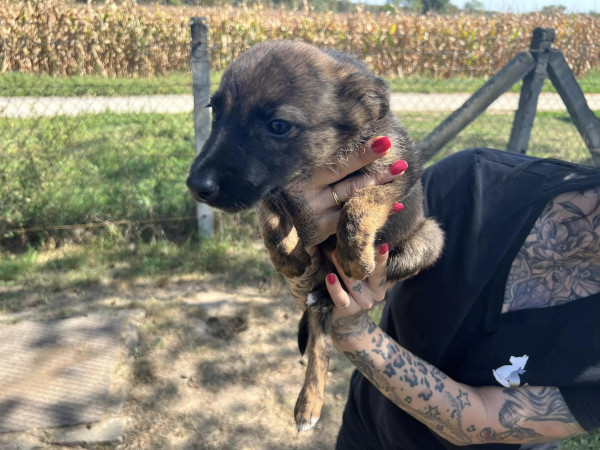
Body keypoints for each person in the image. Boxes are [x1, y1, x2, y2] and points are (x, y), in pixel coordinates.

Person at [283, 137, 600, 449]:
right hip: (367, 428)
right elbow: (330, 278)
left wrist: (353, 332)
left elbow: (480, 421)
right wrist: (303, 241)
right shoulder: (472, 182)